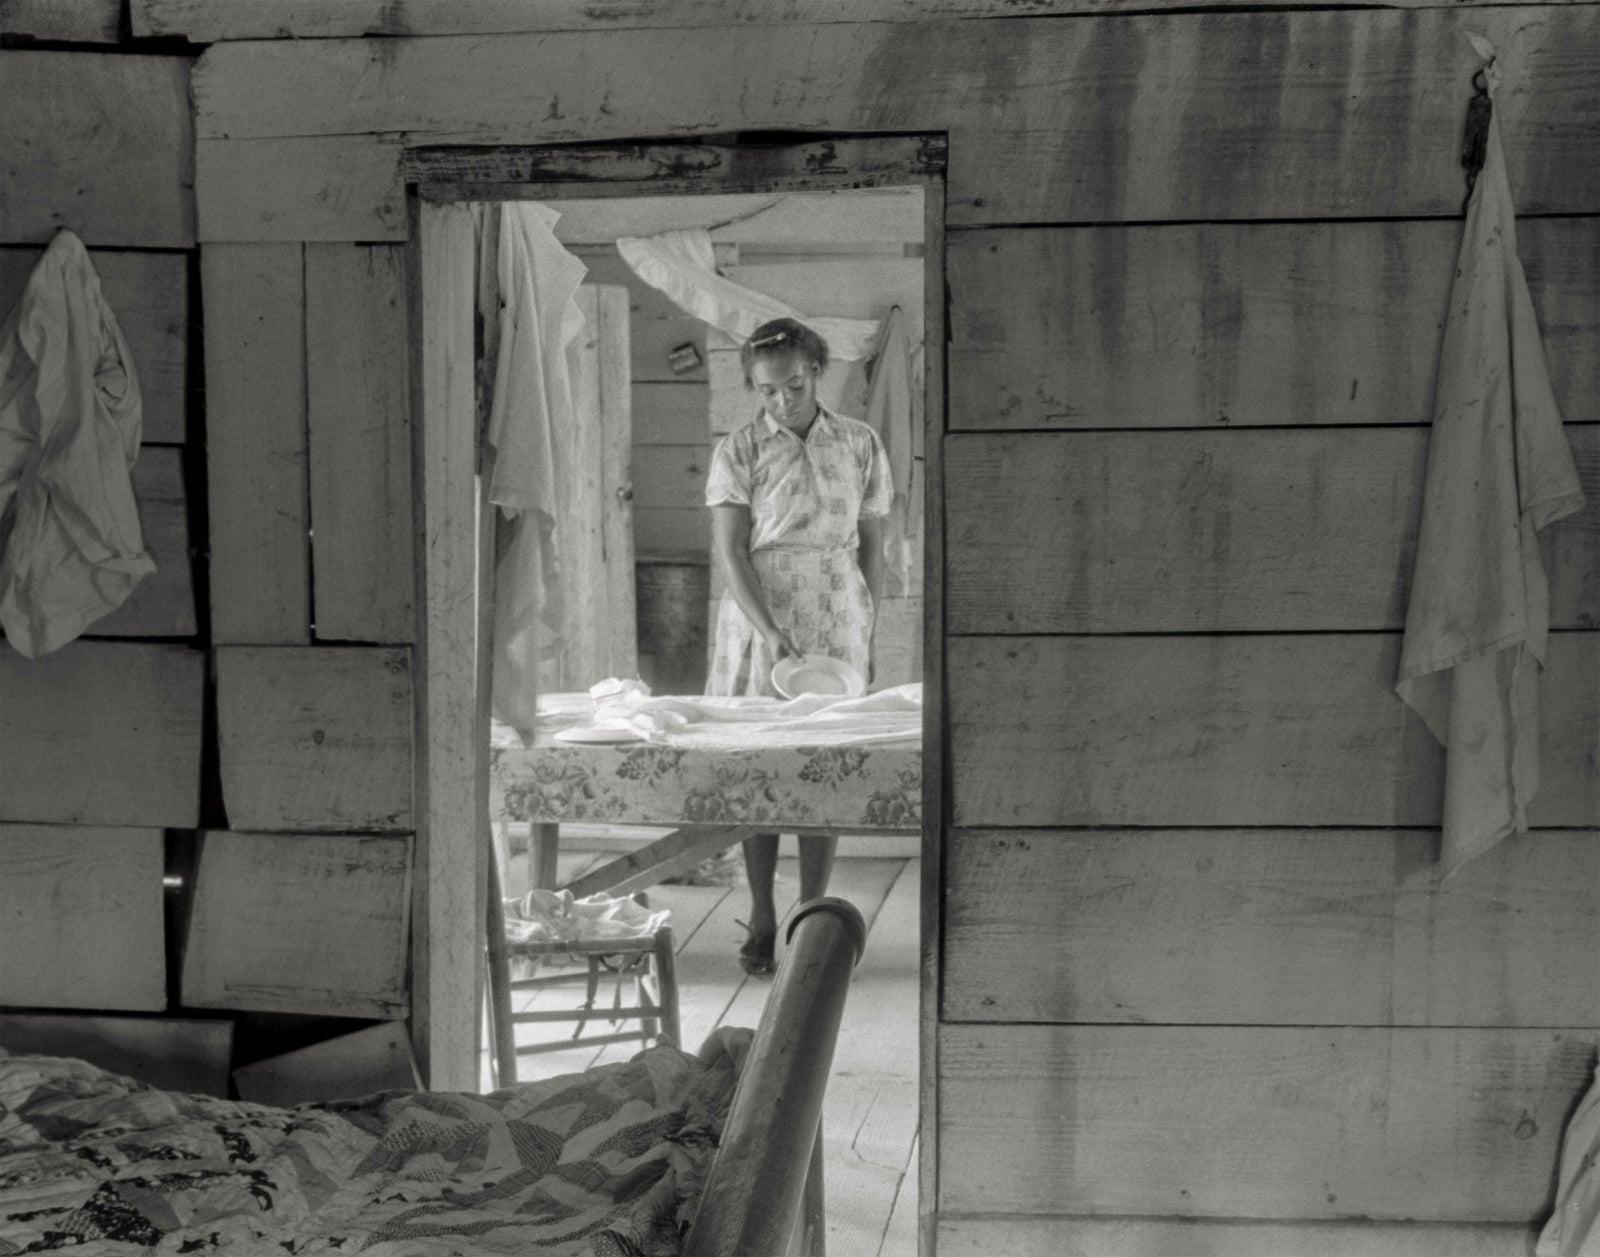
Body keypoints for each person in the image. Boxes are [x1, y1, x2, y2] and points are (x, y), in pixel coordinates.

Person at [704, 317, 892, 974]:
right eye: (766, 391)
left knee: (825, 762)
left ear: (815, 371)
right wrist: (768, 630)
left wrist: (862, 622)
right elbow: (730, 550)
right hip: (762, 608)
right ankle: (760, 910)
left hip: (838, 610)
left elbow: (871, 541)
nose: (781, 400)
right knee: (761, 763)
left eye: (791, 384)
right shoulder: (741, 450)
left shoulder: (860, 444)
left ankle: (812, 914)